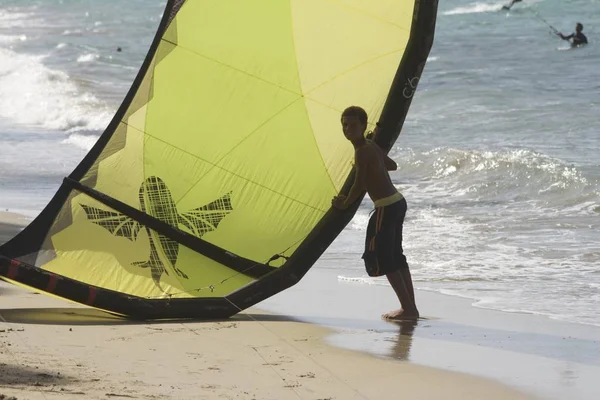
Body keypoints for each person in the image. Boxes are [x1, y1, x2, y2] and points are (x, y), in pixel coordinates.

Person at [332, 106, 419, 320]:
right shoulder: (370, 147)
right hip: (398, 202)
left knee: (386, 259)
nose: (348, 129)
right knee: (397, 256)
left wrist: (344, 204)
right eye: (345, 124)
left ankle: (408, 309)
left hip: (386, 207)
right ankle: (411, 308)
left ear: (364, 126)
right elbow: (392, 165)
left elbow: (360, 183)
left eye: (353, 125)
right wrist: (376, 154)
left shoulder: (362, 151)